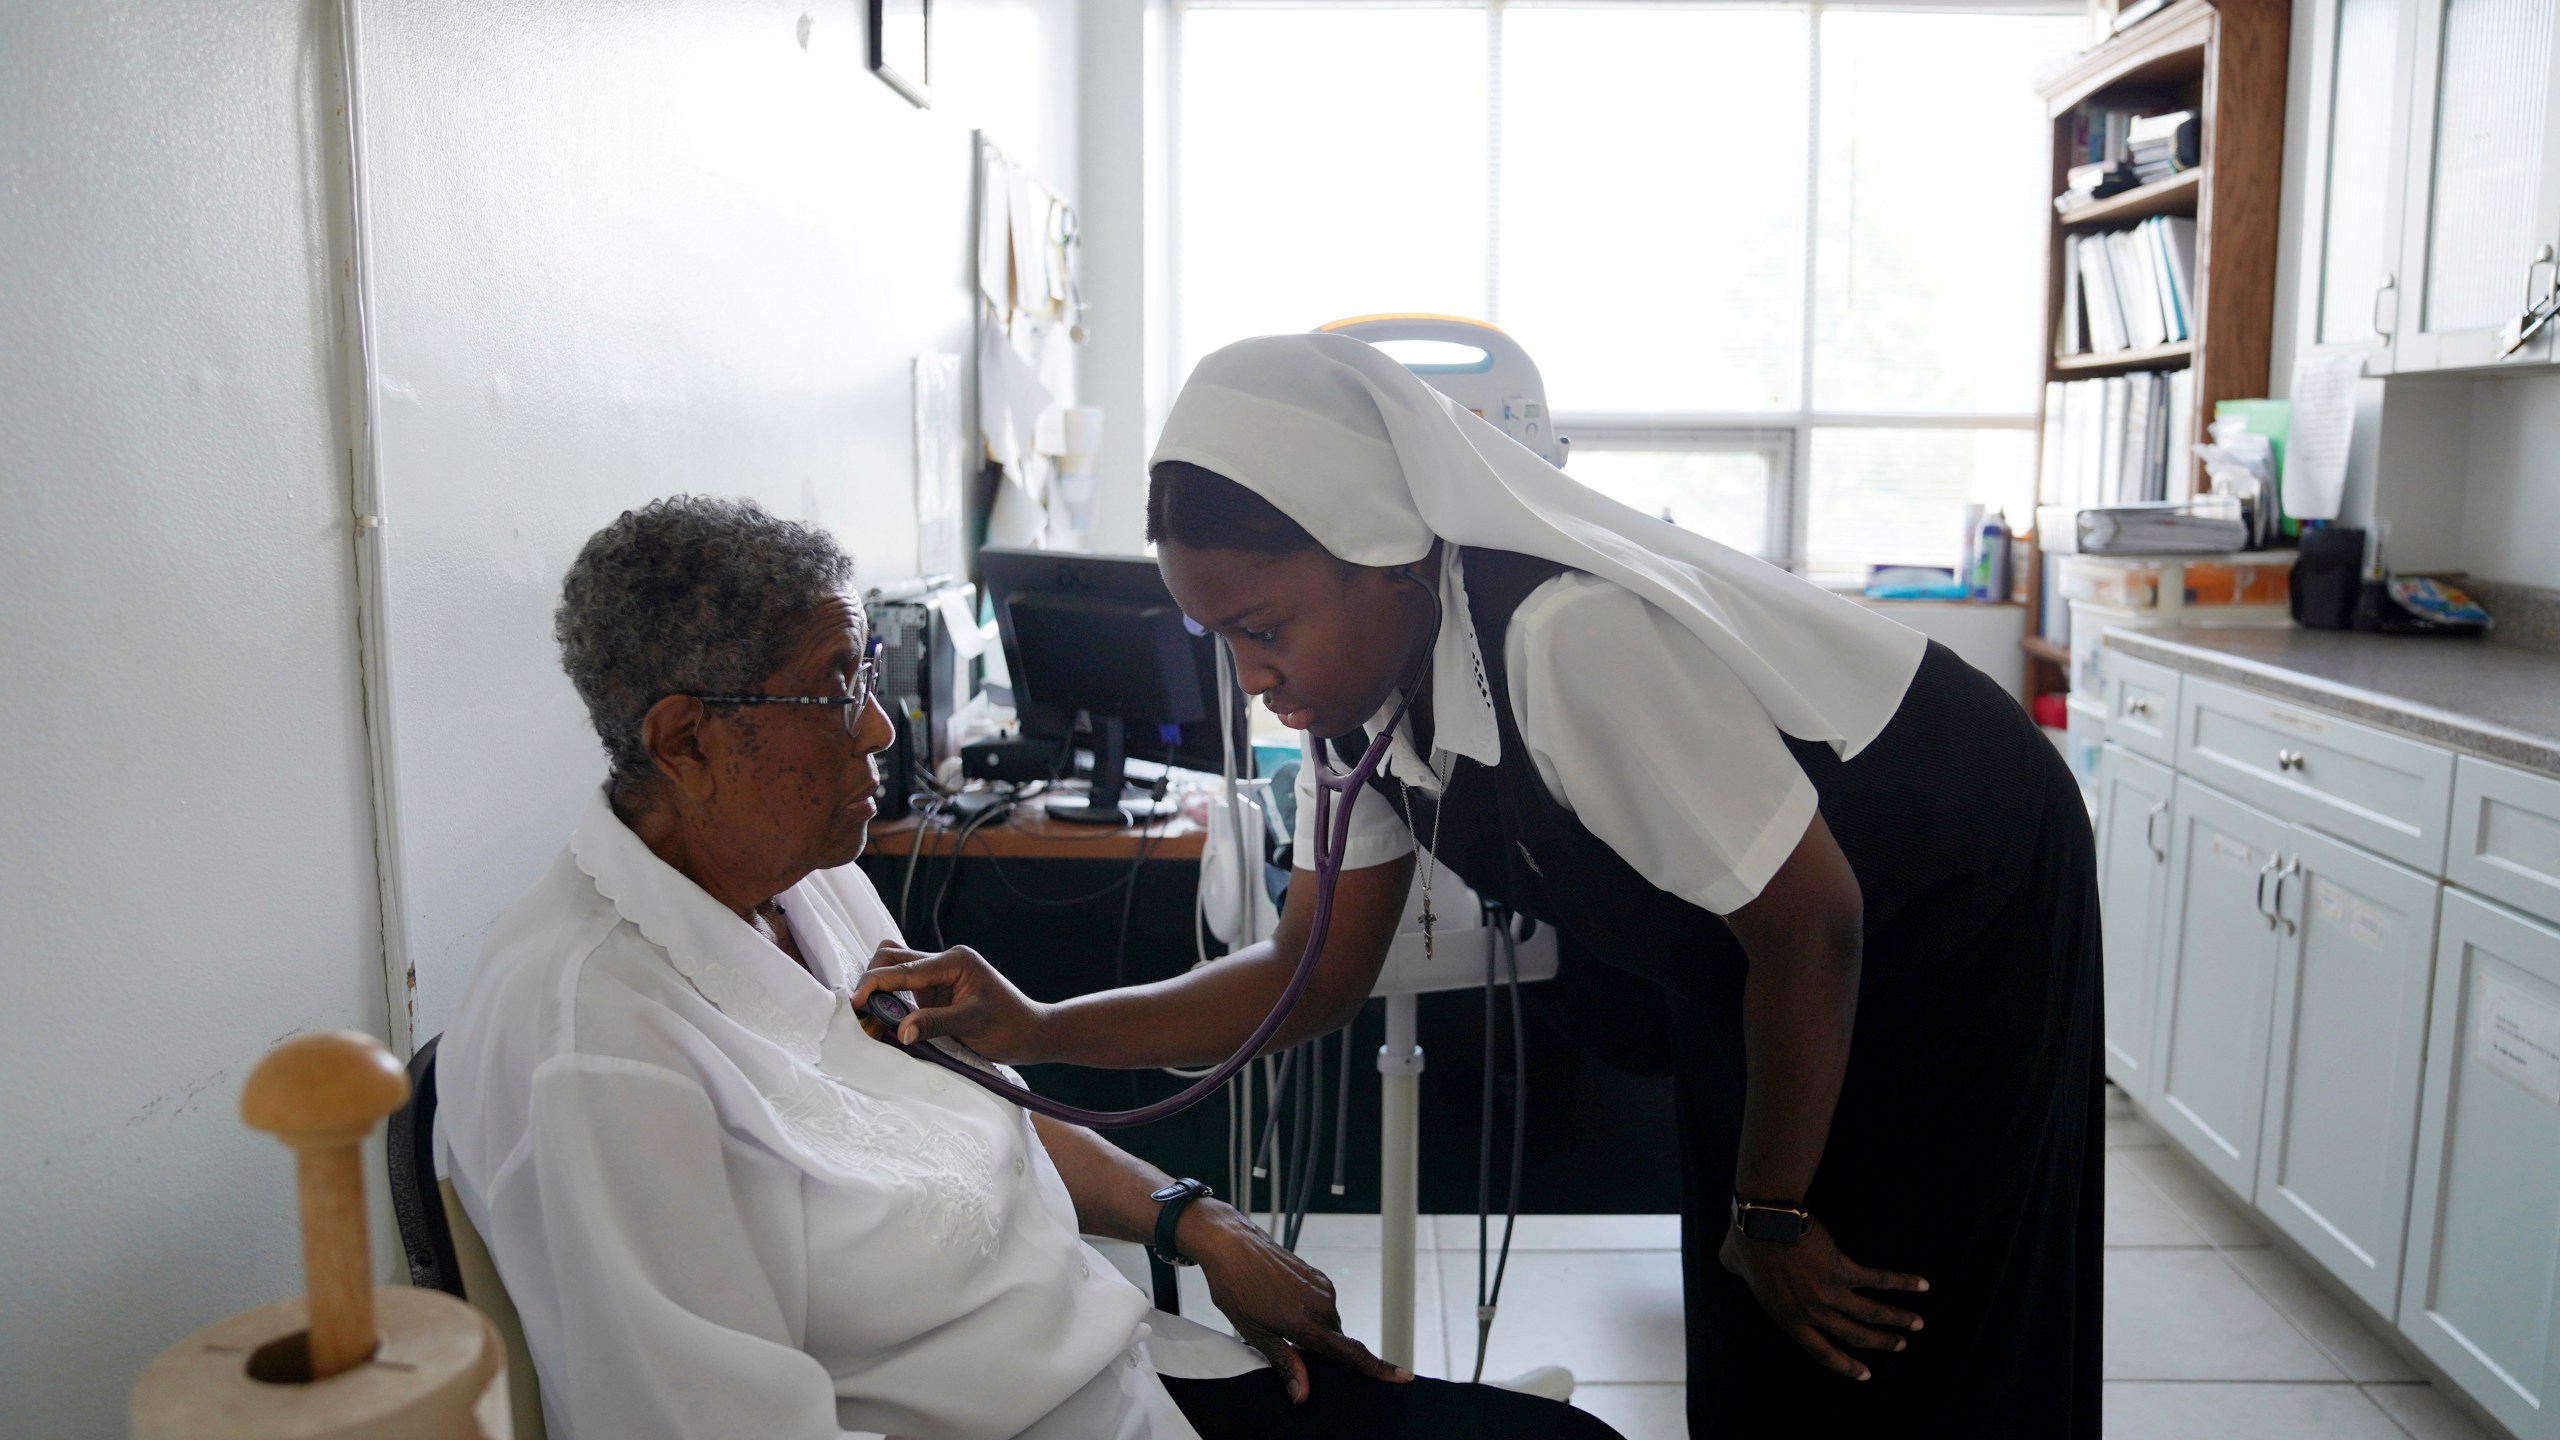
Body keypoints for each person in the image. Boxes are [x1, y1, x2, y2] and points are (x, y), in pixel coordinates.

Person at [858, 334, 2105, 1436]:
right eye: (1218, 637)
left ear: (1385, 558)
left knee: (1899, 1317)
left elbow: (1815, 922)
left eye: (1266, 626)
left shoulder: (1565, 639)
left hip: (1945, 910)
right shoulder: (1356, 708)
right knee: (1754, 1308)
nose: (1249, 678)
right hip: (1765, 961)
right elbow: (1313, 978)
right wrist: (1040, 1027)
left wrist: (1775, 1208)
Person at [439, 496, 1622, 1440]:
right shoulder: (594, 1047)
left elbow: (958, 1106)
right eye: (839, 683)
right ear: (687, 740)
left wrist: (1191, 1221)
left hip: (1125, 1377)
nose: (879, 729)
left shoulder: (802, 884)